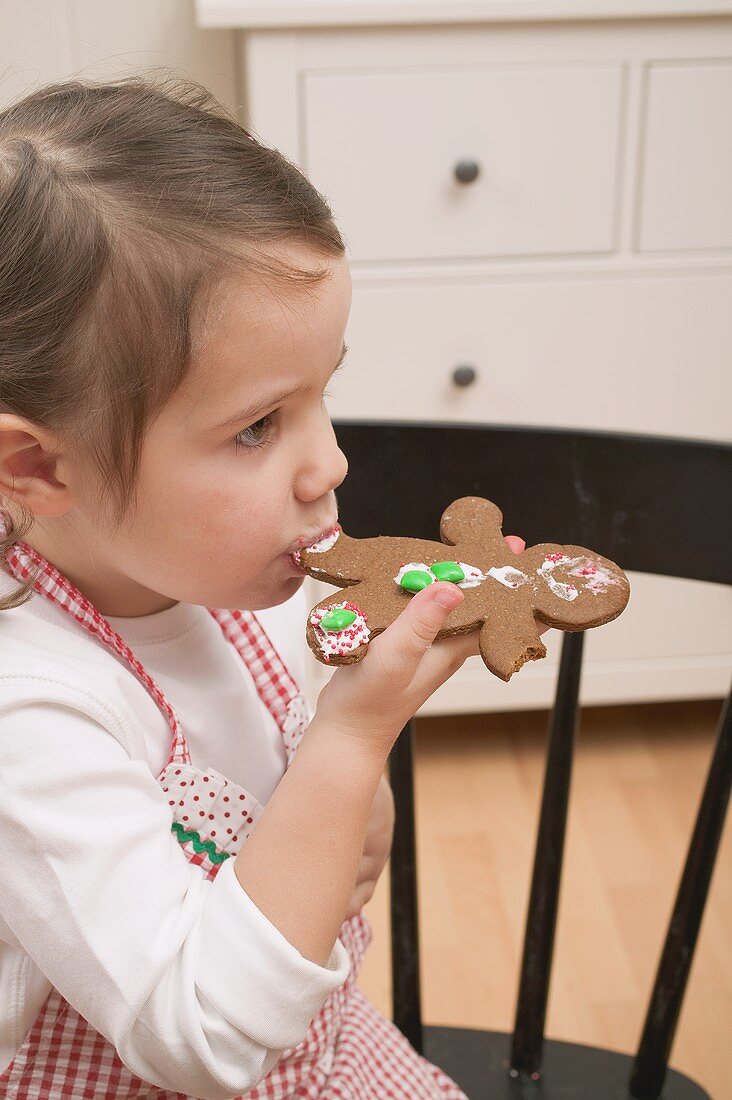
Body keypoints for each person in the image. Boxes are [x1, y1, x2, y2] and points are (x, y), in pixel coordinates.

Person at [0, 74, 543, 1099]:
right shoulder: (27, 710)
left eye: (322, 393)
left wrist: (353, 789)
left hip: (320, 1045)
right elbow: (199, 1034)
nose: (328, 463)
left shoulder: (230, 567)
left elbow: (285, 756)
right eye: (255, 427)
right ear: (38, 470)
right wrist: (351, 741)